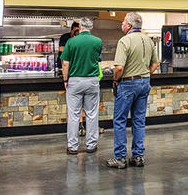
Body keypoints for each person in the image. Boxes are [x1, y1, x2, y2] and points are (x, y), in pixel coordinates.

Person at [106, 12, 159, 169]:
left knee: (120, 120)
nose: (122, 24)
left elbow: (119, 67)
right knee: (139, 120)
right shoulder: (149, 40)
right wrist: (143, 74)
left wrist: (116, 79)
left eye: (123, 22)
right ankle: (138, 156)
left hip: (127, 84)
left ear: (128, 25)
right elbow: (155, 64)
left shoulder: (125, 41)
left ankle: (121, 158)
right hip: (144, 83)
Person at [60, 17, 102, 154]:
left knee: (73, 115)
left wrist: (65, 80)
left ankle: (73, 147)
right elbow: (97, 59)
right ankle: (91, 145)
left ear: (79, 26)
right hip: (92, 81)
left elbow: (65, 63)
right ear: (91, 27)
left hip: (75, 81)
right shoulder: (98, 41)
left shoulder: (71, 42)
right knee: (92, 114)